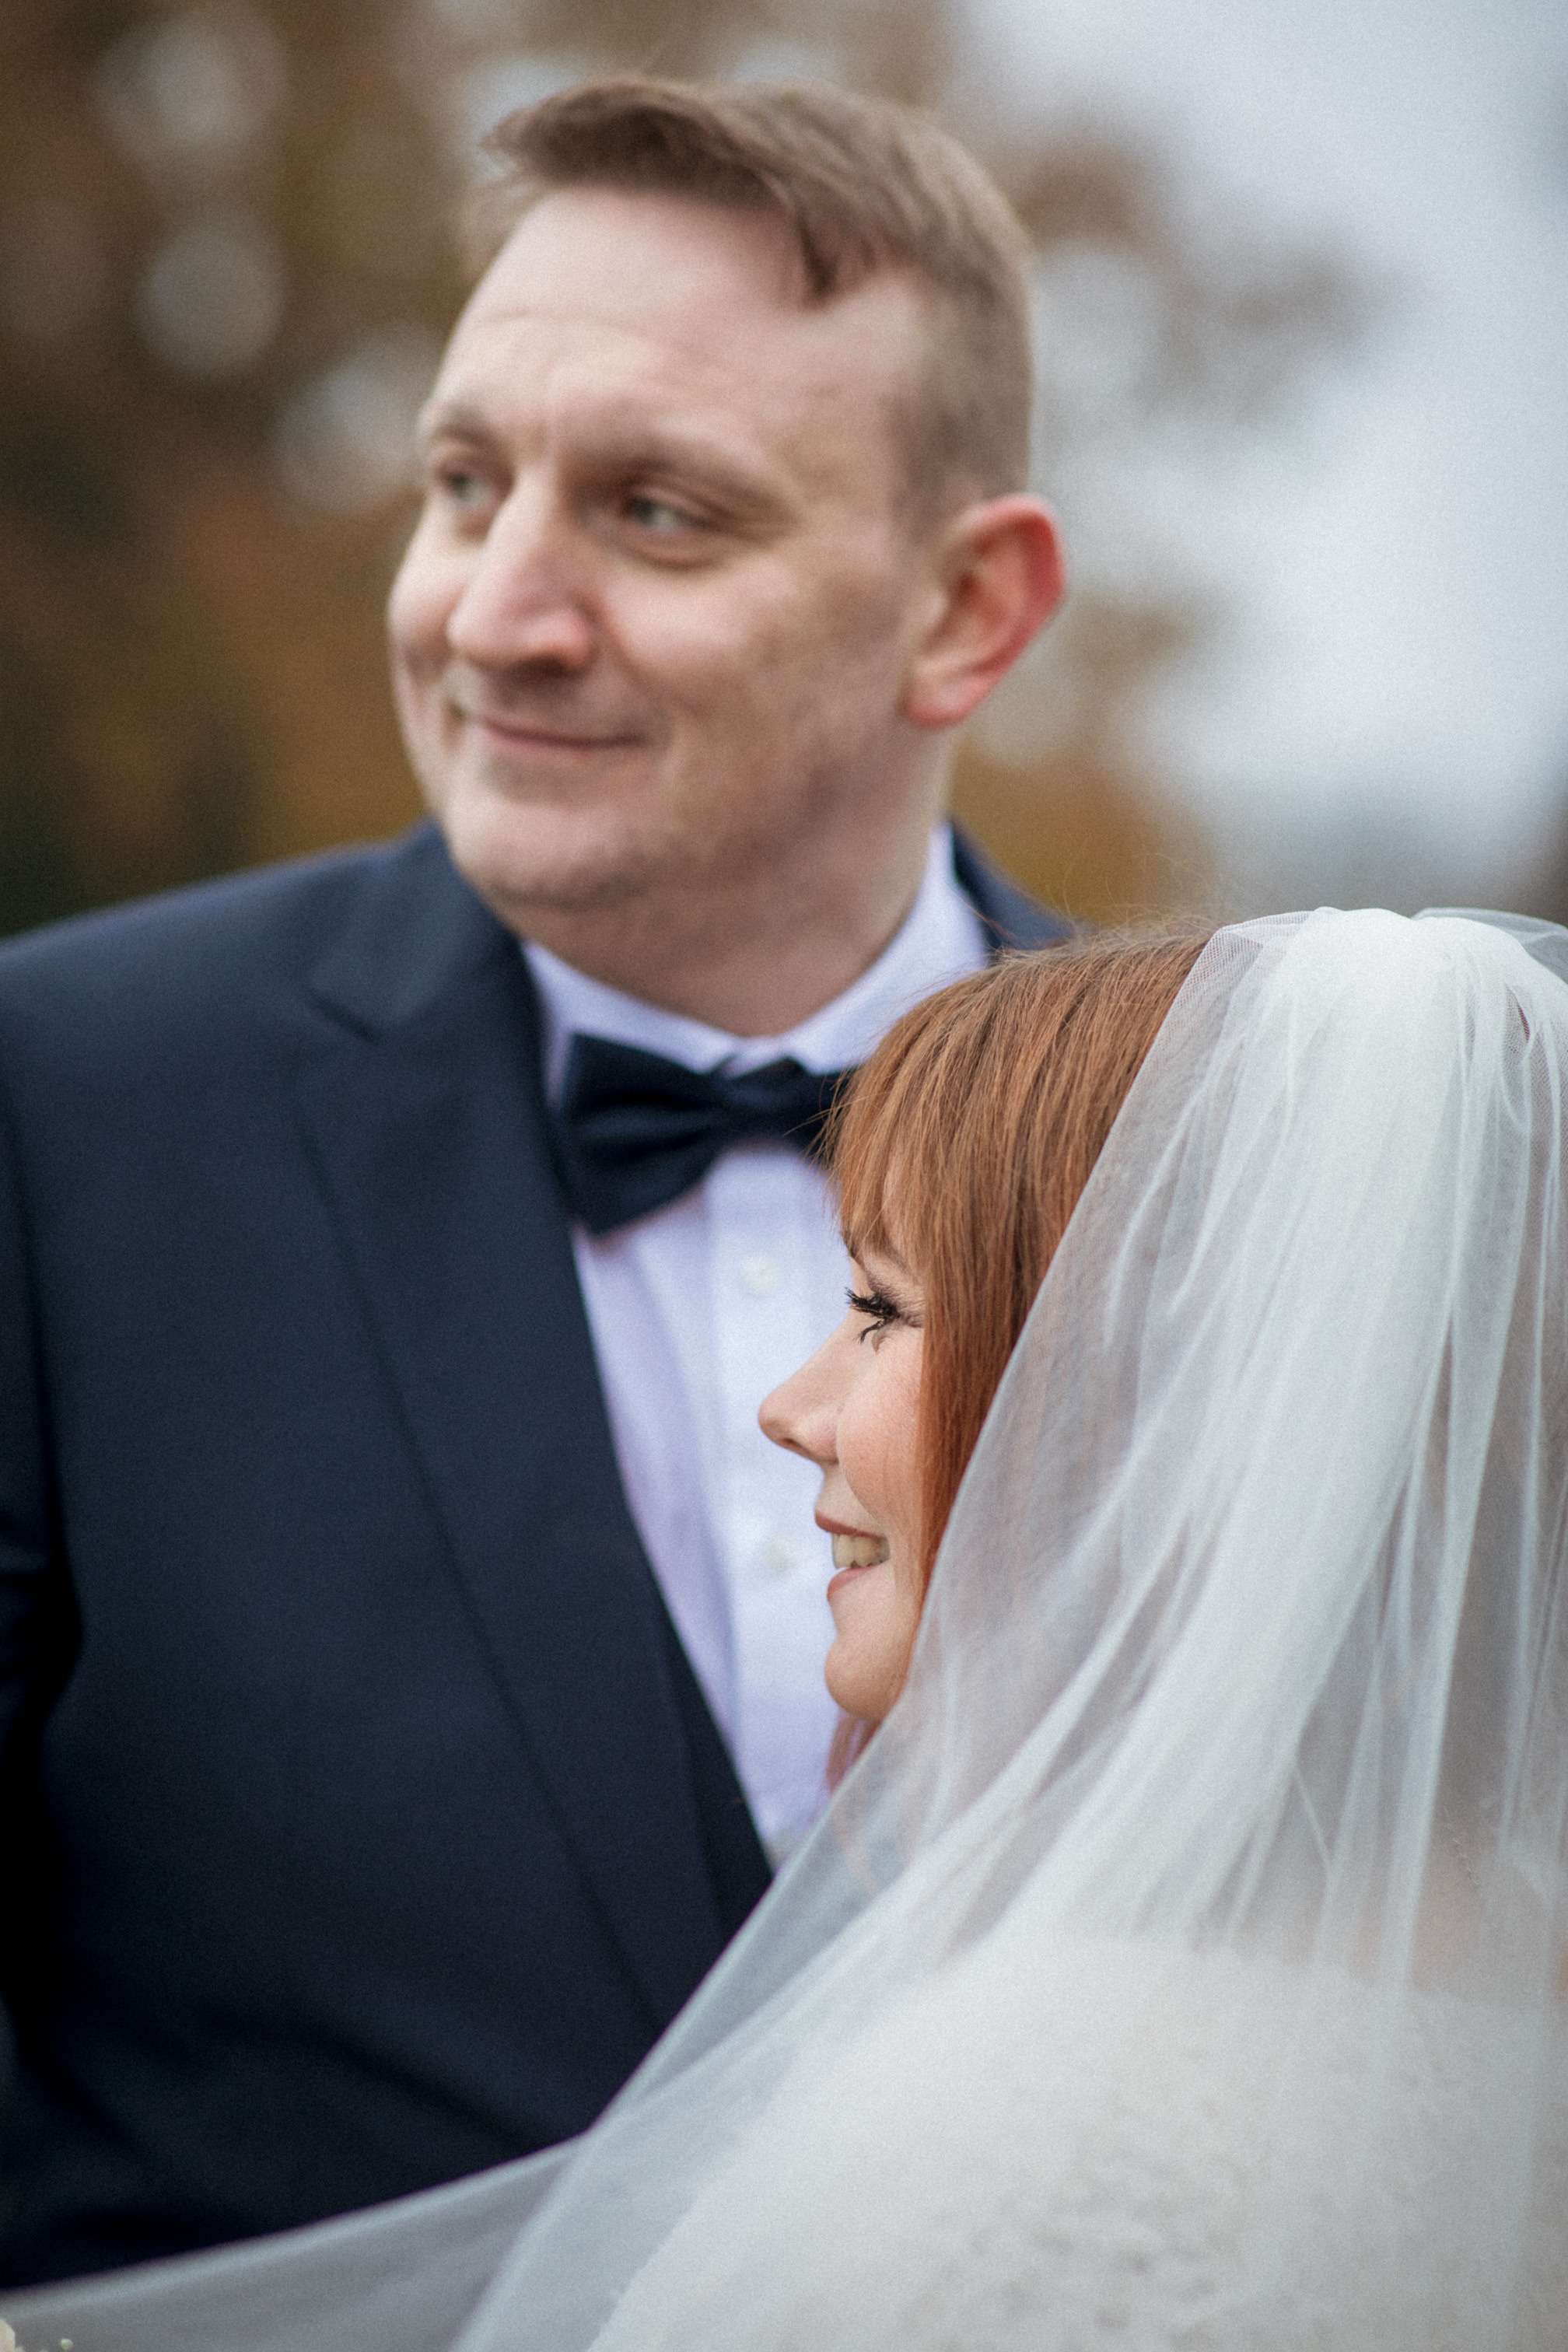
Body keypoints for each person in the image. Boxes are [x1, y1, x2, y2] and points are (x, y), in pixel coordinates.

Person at [0, 76, 1070, 2286]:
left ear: (967, 613)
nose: (493, 615)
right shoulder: (58, 1112)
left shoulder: (1253, 1157)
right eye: (463, 483)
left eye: (660, 514)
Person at [12, 904, 1567, 2352]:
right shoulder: (1508, 2051)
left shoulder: (1018, 2143)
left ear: (1152, 1409)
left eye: (883, 1312)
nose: (793, 1405)